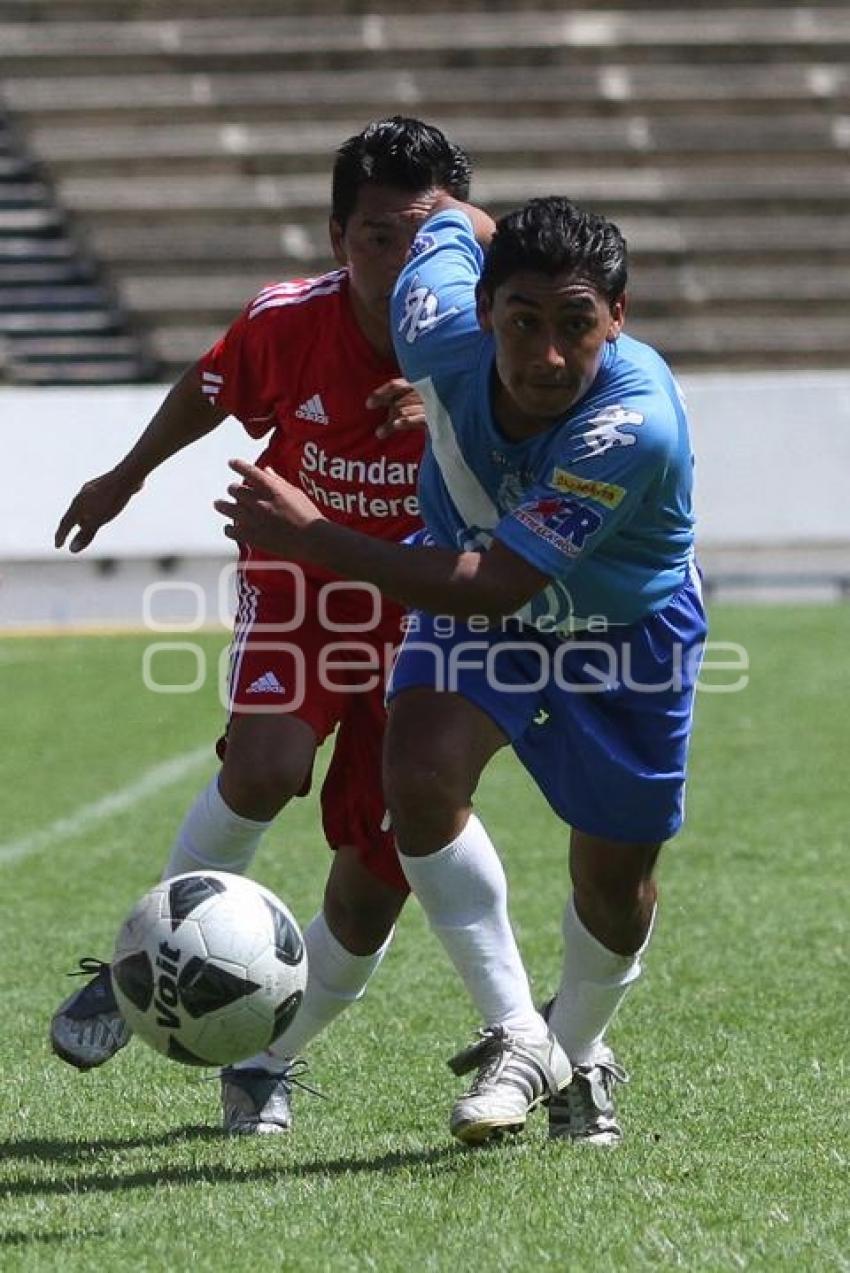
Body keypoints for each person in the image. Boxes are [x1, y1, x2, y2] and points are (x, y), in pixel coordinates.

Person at [214, 192, 707, 1147]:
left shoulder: (632, 424)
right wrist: (456, 236)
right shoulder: (431, 315)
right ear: (481, 312)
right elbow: (448, 215)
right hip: (480, 605)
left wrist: (317, 535)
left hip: (624, 631)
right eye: (524, 321)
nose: (549, 355)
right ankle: (520, 1030)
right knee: (418, 777)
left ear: (620, 317)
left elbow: (496, 583)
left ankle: (575, 1049)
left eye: (577, 324)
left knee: (614, 885)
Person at [49, 117, 472, 1135]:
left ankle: (266, 1061)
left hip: (427, 606)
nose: (401, 258)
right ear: (337, 239)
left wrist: (452, 403)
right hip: (303, 576)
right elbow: (208, 387)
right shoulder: (290, 323)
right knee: (267, 765)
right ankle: (138, 964)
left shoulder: (493, 337)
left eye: (425, 234)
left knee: (380, 876)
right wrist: (124, 476)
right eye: (377, 236)